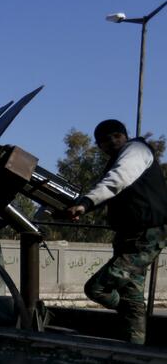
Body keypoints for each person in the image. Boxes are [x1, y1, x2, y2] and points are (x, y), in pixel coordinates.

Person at [65, 119, 167, 344]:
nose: (111, 142)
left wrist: (86, 203)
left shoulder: (136, 150)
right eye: (104, 141)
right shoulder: (115, 161)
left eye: (116, 136)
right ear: (99, 146)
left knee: (97, 288)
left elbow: (116, 181)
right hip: (128, 236)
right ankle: (135, 353)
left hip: (147, 236)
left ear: (125, 136)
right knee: (132, 301)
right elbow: (108, 190)